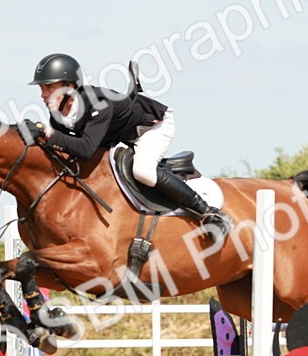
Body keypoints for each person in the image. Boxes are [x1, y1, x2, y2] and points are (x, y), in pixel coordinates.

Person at [26, 53, 231, 247]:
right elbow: (67, 148)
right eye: (42, 89)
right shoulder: (59, 115)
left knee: (142, 171)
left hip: (150, 127)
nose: (43, 95)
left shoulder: (98, 102)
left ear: (70, 86)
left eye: (49, 87)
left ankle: (209, 213)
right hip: (118, 135)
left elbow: (86, 149)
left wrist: (48, 134)